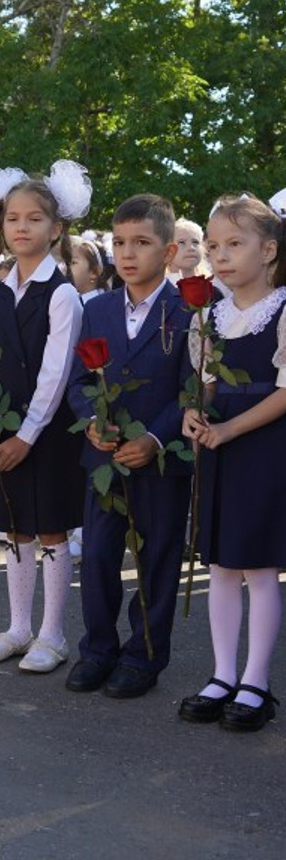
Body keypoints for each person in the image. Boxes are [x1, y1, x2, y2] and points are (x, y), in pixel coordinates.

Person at [65, 195, 193, 699]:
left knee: (158, 556)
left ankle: (144, 654)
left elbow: (192, 387)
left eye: (141, 242)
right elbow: (79, 380)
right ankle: (98, 648)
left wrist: (156, 437)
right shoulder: (96, 308)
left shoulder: (188, 310)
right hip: (104, 455)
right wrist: (91, 422)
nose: (127, 252)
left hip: (160, 458)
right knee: (97, 555)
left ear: (168, 251)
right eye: (119, 242)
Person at [0, 163, 89, 674]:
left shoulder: (62, 294)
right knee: (16, 529)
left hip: (48, 429)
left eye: (34, 218)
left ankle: (53, 634)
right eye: (12, 218)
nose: (21, 227)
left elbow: (57, 371)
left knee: (51, 531)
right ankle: (19, 627)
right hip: (8, 427)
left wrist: (27, 434)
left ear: (56, 228)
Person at [178, 194, 286, 733]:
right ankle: (222, 675)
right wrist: (193, 417)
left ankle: (256, 681)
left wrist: (226, 428)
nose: (220, 256)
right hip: (219, 445)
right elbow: (205, 384)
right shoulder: (211, 314)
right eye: (214, 245)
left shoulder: (285, 309)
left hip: (263, 448)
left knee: (258, 567)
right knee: (220, 563)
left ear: (269, 250)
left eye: (234, 244)